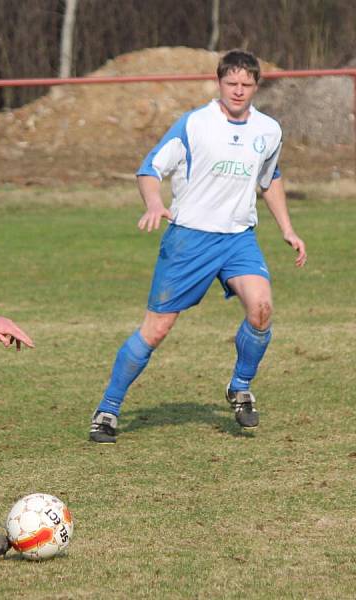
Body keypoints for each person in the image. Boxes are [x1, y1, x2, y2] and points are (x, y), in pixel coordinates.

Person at [88, 50, 307, 444]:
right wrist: (155, 203)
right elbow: (149, 169)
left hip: (239, 238)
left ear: (256, 86)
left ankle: (240, 387)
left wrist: (288, 229)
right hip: (190, 238)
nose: (238, 91)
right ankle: (108, 408)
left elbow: (269, 178)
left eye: (246, 84)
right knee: (156, 330)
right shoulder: (195, 124)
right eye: (231, 83)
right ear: (219, 83)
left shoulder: (269, 130)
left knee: (261, 309)